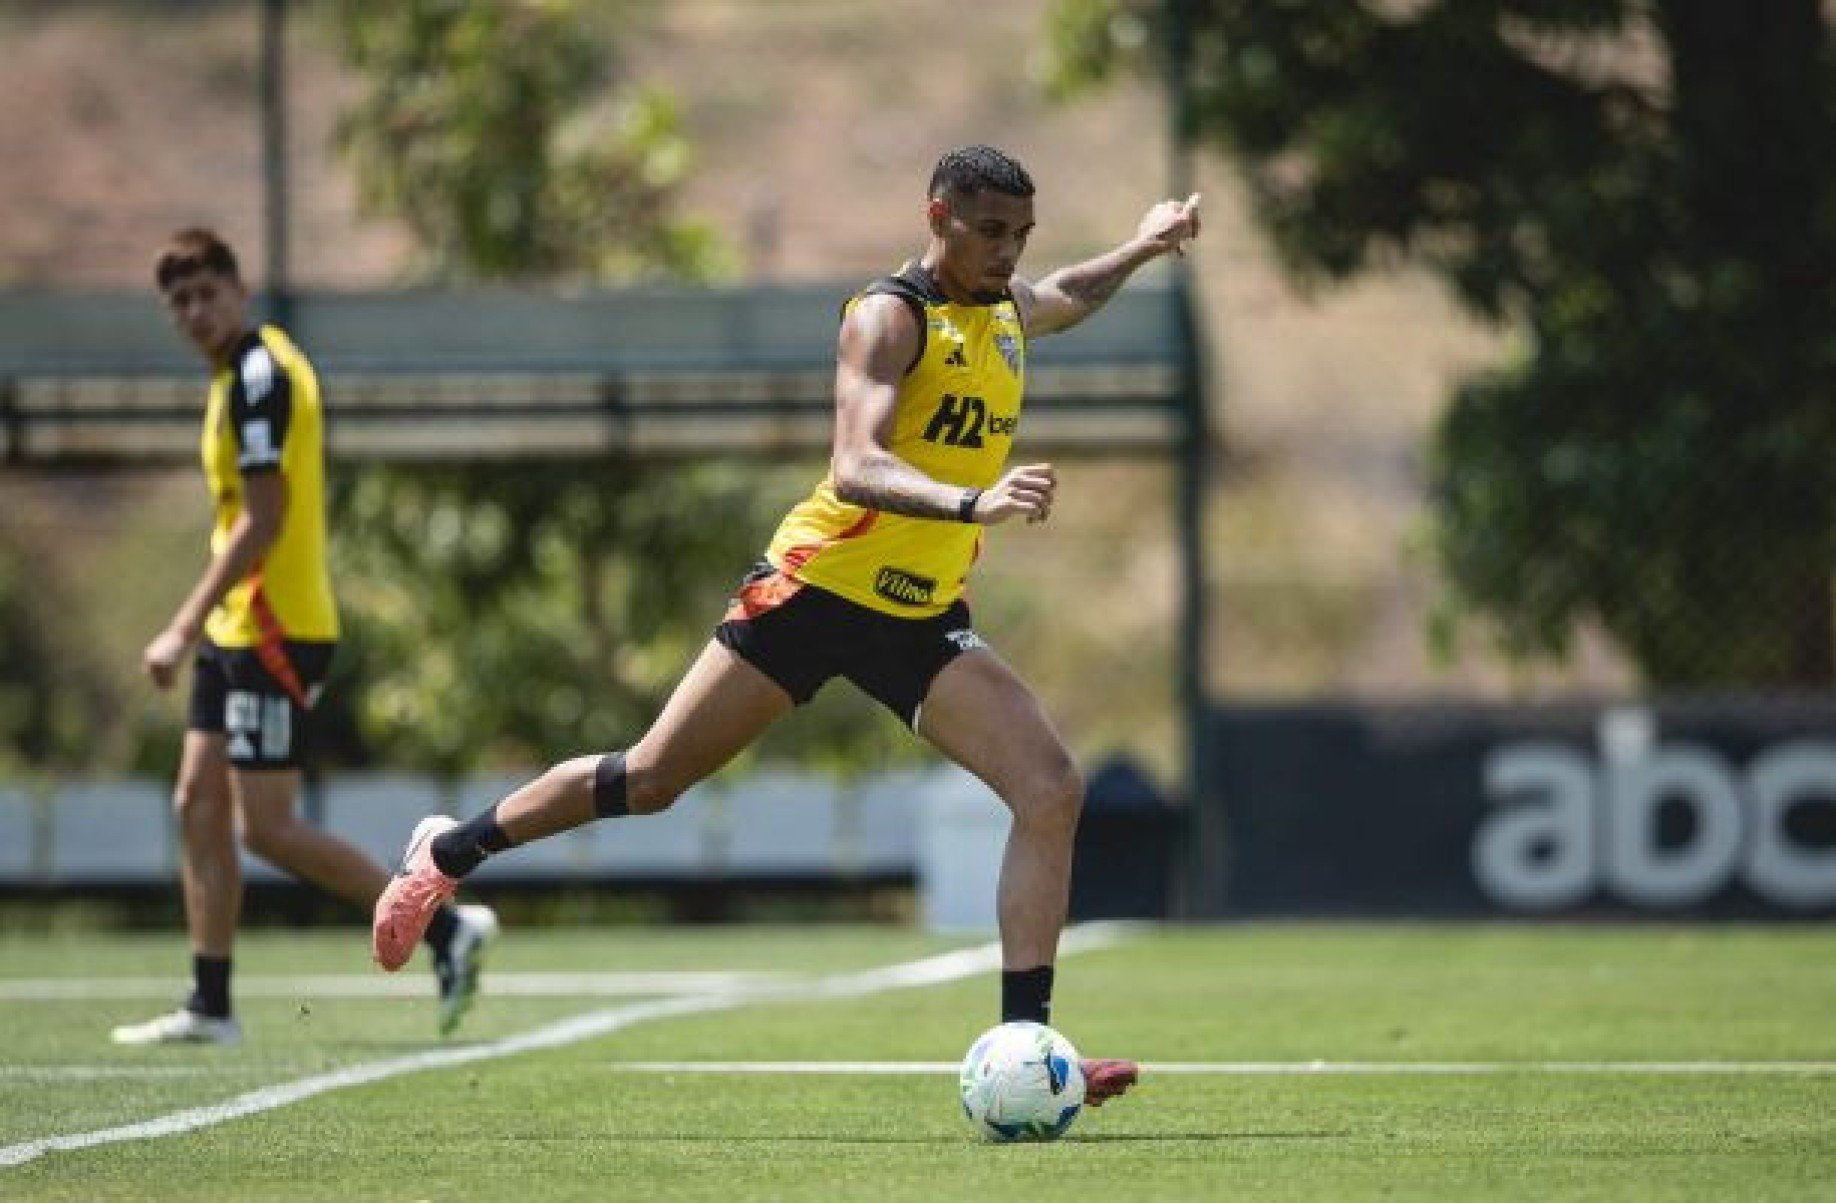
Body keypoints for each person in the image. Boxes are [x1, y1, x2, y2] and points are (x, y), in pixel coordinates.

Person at [372, 146, 1198, 1102]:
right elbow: (856, 464)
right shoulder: (891, 317)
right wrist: (973, 505)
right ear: (938, 217)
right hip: (817, 590)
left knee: (1051, 787)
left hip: (917, 615)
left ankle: (1028, 1052)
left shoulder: (1002, 309)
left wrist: (1139, 246)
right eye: (989, 231)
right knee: (649, 778)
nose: (1008, 252)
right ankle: (447, 852)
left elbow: (1062, 294)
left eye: (1019, 234)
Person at [111, 229, 497, 1046]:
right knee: (197, 801)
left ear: (238, 288)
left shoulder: (261, 376)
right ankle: (210, 1001)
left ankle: (443, 926)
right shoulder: (231, 379)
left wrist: (180, 628)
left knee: (268, 827)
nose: (193, 311)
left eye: (206, 292)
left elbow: (264, 520)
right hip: (238, 628)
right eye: (178, 301)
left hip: (273, 630)